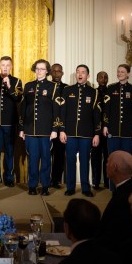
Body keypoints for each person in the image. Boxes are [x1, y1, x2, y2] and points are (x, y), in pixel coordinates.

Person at [19, 59, 61, 196]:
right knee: (32, 159)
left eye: (42, 69)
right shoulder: (28, 85)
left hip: (46, 130)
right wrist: (22, 128)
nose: (39, 71)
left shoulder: (53, 86)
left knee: (46, 159)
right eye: (37, 68)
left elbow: (56, 109)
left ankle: (45, 186)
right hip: (30, 129)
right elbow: (24, 108)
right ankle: (32, 185)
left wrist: (55, 129)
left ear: (47, 71)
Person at [58, 64, 100, 197]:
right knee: (70, 160)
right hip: (69, 133)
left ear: (88, 75)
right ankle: (70, 187)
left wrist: (97, 134)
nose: (80, 74)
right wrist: (62, 130)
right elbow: (62, 111)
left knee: (84, 161)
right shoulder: (67, 90)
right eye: (78, 72)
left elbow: (97, 115)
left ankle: (85, 188)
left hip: (87, 134)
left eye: (83, 72)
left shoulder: (94, 92)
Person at [0, 56, 23, 187]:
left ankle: (9, 177)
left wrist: (9, 86)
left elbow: (18, 99)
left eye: (8, 65)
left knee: (9, 151)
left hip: (10, 123)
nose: (5, 67)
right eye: (3, 65)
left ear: (11, 66)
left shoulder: (17, 81)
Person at [97, 150, 132, 246]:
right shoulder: (131, 189)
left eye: (108, 162)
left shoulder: (122, 199)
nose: (106, 165)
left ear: (114, 167)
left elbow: (110, 235)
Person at [100, 63, 132, 160]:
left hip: (128, 131)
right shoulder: (111, 88)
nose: (119, 73)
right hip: (112, 130)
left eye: (122, 72)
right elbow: (106, 108)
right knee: (113, 158)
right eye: (118, 72)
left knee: (127, 159)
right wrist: (105, 125)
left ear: (128, 74)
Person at [91, 70, 109, 190]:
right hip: (96, 129)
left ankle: (108, 182)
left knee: (108, 157)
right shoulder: (93, 92)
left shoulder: (112, 91)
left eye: (105, 77)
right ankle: (96, 181)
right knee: (95, 156)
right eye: (100, 77)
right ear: (97, 79)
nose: (103, 79)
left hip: (108, 129)